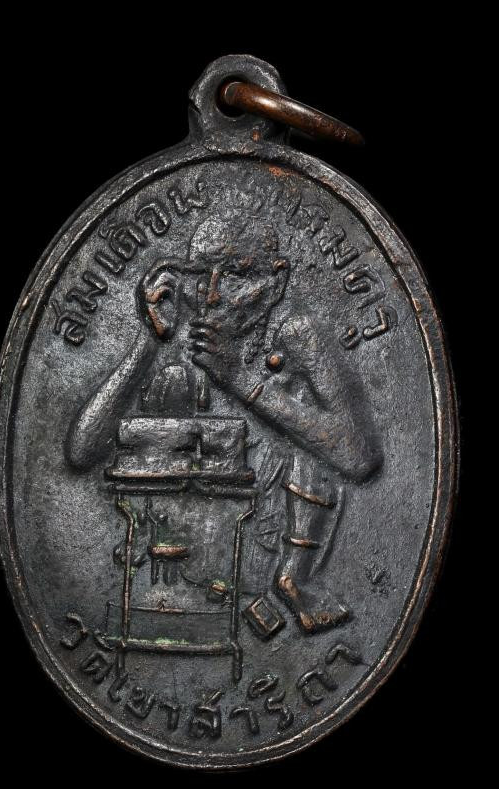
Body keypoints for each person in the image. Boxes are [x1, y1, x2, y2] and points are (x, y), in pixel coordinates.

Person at [66, 214, 382, 633]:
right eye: (200, 275)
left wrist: (242, 382)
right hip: (180, 551)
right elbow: (81, 452)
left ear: (276, 282)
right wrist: (149, 340)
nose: (212, 296)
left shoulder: (294, 332)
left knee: (305, 426)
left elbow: (358, 456)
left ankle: (295, 579)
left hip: (259, 543)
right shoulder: (182, 332)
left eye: (234, 275)